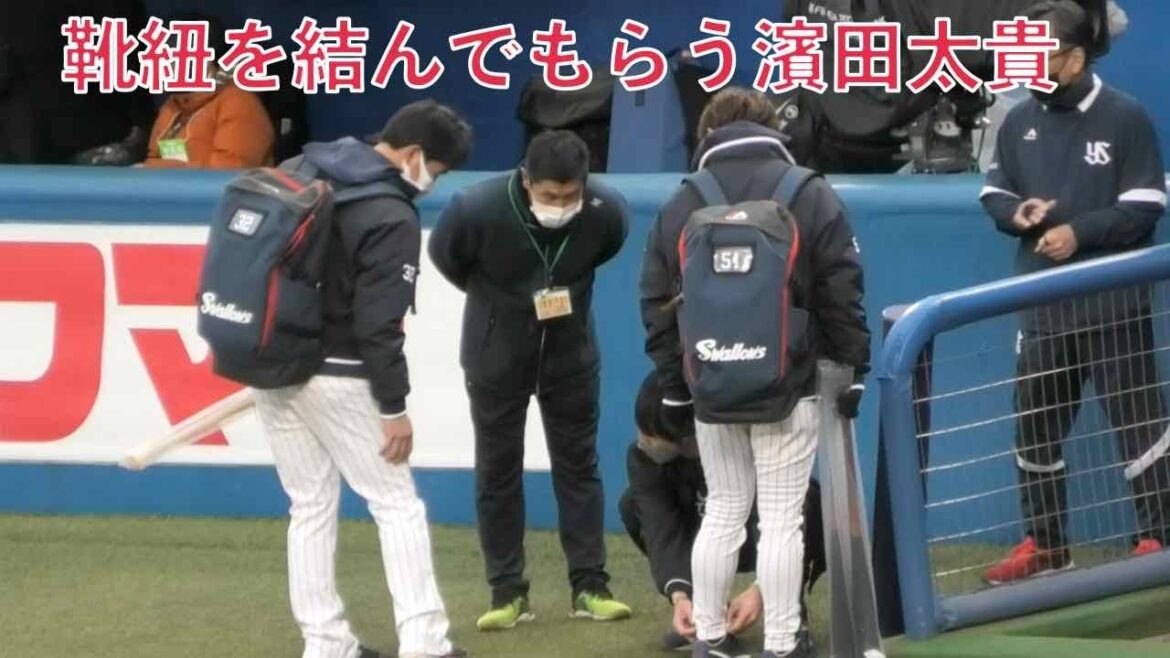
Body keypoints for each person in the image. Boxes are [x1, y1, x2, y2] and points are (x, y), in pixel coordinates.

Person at [641, 87, 869, 658]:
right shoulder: (809, 192)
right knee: (780, 518)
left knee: (723, 509)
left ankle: (711, 638)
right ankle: (782, 642)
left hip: (712, 383)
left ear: (707, 135)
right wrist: (852, 367)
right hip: (790, 384)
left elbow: (655, 303)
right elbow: (842, 291)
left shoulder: (682, 200)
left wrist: (677, 386)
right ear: (774, 130)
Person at [253, 100, 472, 658]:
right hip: (342, 374)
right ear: (415, 154)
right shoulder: (390, 213)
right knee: (397, 504)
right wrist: (393, 407)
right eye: (436, 170)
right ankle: (425, 644)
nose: (432, 182)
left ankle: (325, 644)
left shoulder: (301, 167)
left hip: (272, 365)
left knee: (309, 505)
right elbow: (379, 325)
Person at [980, 0, 1169, 584]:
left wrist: (1076, 233)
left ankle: (1159, 539)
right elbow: (995, 191)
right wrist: (1019, 214)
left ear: (1076, 58)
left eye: (1043, 54)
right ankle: (1047, 545)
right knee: (1035, 427)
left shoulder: (1125, 116)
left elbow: (1146, 205)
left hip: (1113, 308)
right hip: (1042, 310)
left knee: (1141, 426)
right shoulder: (1017, 121)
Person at [428, 130, 632, 630]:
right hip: (494, 357)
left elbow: (607, 248)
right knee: (497, 472)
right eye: (549, 195)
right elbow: (446, 257)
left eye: (569, 196)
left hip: (571, 357)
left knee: (579, 468)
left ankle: (590, 586)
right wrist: (502, 304)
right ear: (525, 180)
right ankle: (507, 592)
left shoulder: (606, 211)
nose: (559, 206)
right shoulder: (475, 209)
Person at [620, 373, 825, 653]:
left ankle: (788, 611)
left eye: (655, 438)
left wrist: (762, 590)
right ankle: (705, 618)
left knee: (807, 503)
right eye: (644, 434)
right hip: (705, 538)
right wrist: (681, 597)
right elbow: (660, 527)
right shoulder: (643, 458)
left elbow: (787, 516)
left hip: (757, 536)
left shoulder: (738, 437)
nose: (646, 443)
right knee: (632, 506)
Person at [141, 13, 274, 169]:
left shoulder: (239, 104)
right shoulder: (172, 107)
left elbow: (229, 170)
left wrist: (158, 169)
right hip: (166, 184)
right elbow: (154, 158)